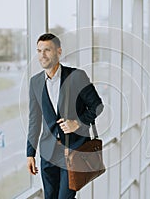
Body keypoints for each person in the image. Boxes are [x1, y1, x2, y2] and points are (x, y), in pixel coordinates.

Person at [26, 33, 103, 199]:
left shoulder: (76, 76)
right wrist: (30, 153)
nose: (42, 55)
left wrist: (78, 123)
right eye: (39, 51)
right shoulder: (35, 82)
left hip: (73, 151)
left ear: (58, 51)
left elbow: (97, 105)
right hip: (48, 153)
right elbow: (34, 120)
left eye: (47, 50)